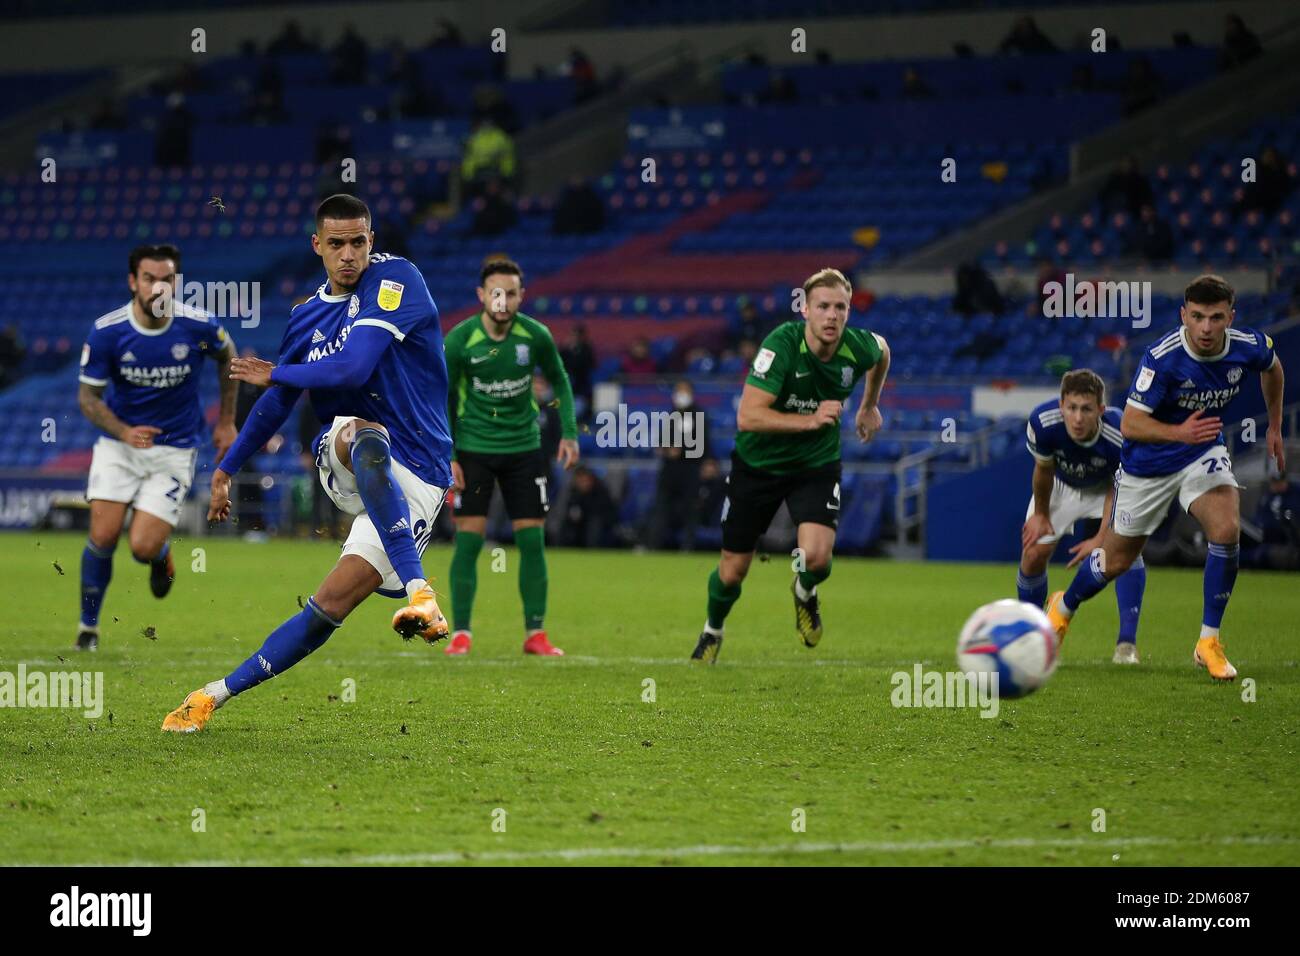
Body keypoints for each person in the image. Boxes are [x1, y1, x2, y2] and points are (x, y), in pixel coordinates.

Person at [161, 194, 454, 732]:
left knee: (329, 607)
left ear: (373, 240)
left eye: (359, 242)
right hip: (352, 453)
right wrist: (227, 466)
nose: (349, 255)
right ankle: (422, 592)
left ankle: (210, 697)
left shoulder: (398, 282)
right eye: (336, 243)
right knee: (362, 436)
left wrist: (278, 372)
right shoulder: (305, 317)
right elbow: (278, 404)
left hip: (422, 474)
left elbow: (353, 367)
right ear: (317, 245)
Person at [1046, 275, 1287, 682]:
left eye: (1215, 317)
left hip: (1201, 452)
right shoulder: (1163, 358)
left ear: (1231, 316)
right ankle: (1063, 607)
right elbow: (1134, 424)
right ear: (1183, 316)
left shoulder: (1249, 346)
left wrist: (1276, 426)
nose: (1206, 328)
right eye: (1197, 317)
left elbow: (1273, 368)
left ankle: (1208, 641)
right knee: (1116, 561)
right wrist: (1179, 432)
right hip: (1147, 466)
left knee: (1227, 530)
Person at [692, 268, 889, 663]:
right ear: (805, 310)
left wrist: (869, 405)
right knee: (732, 572)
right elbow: (748, 416)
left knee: (816, 558)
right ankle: (713, 630)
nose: (832, 316)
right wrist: (811, 419)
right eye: (823, 307)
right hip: (758, 464)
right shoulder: (780, 346)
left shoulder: (857, 347)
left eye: (840, 308)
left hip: (814, 465)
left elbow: (883, 351)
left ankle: (804, 591)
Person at [76, 244, 237, 650]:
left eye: (167, 279)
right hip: (120, 445)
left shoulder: (198, 325)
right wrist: (123, 430)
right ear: (134, 282)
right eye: (149, 278)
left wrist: (227, 422)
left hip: (175, 447)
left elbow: (228, 357)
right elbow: (88, 399)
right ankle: (88, 629)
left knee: (141, 546)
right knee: (103, 534)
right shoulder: (108, 331)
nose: (158, 287)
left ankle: (159, 552)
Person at [442, 258, 579, 657]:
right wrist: (447, 454)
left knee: (532, 542)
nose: (503, 301)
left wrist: (570, 432)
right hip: (473, 451)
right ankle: (462, 633)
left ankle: (535, 634)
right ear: (482, 295)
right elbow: (443, 400)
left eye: (511, 293)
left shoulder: (535, 336)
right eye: (496, 293)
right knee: (468, 542)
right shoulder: (459, 340)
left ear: (522, 296)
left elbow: (561, 382)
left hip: (524, 450)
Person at [1018, 369, 1146, 664]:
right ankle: (1036, 639)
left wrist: (1101, 538)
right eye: (1072, 408)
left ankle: (1126, 646)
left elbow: (1119, 489)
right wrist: (1039, 514)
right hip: (1061, 486)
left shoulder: (1122, 433)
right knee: (1034, 553)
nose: (1077, 418)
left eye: (1086, 409)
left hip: (1107, 490)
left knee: (1126, 555)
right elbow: (1043, 470)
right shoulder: (1042, 421)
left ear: (1101, 410)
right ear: (1061, 405)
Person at [646, 380, 709, 550]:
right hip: (669, 470)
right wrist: (665, 449)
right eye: (678, 391)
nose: (681, 395)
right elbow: (660, 443)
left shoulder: (699, 416)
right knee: (661, 508)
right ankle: (653, 544)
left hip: (690, 469)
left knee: (690, 510)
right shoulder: (671, 416)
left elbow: (703, 446)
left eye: (684, 391)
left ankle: (687, 547)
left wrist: (681, 451)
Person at [560, 466, 616, 548]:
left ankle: (592, 549)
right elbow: (571, 508)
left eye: (585, 480)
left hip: (600, 522)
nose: (584, 483)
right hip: (580, 522)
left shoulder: (600, 490)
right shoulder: (574, 492)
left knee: (594, 524)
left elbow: (603, 512)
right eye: (580, 481)